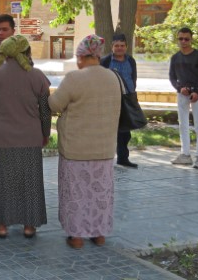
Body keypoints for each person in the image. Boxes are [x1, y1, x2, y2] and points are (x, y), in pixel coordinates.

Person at [48, 34, 121, 249]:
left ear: (81, 56)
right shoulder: (112, 77)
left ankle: (77, 237)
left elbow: (54, 104)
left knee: (76, 194)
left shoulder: (74, 78)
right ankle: (99, 235)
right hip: (104, 148)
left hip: (76, 149)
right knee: (99, 194)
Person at [0, 35, 51, 239]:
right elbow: (45, 110)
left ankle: (2, 225)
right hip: (30, 136)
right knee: (30, 181)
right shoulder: (36, 75)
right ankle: (29, 226)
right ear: (27, 52)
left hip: (1, 136)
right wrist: (45, 133)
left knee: (2, 181)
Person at [169, 27, 198, 170]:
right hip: (182, 94)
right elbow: (172, 77)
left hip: (196, 94)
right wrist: (179, 88)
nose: (183, 41)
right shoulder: (175, 57)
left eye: (186, 38)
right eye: (181, 38)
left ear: (191, 39)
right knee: (183, 124)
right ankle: (185, 154)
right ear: (177, 39)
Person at [101, 33, 139, 168]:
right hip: (110, 101)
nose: (119, 48)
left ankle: (123, 158)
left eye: (122, 46)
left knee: (125, 132)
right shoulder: (105, 62)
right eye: (116, 45)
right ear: (112, 47)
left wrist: (132, 94)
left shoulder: (131, 61)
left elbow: (133, 78)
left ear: (126, 47)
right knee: (109, 131)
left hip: (127, 100)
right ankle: (104, 158)